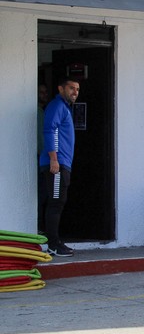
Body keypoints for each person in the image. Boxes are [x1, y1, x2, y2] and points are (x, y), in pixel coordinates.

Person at [39, 77, 80, 257]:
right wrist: (54, 159)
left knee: (58, 201)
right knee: (56, 203)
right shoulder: (57, 106)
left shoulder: (65, 108)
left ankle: (55, 242)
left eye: (77, 89)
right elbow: (50, 130)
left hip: (62, 163)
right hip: (56, 164)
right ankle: (53, 245)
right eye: (71, 88)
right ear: (61, 89)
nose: (75, 92)